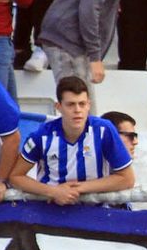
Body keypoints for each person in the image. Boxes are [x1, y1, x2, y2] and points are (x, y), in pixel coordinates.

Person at [10, 75, 130, 204]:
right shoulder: (41, 135)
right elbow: (16, 177)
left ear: (89, 105)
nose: (77, 110)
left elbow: (127, 179)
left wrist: (78, 189)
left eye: (82, 104)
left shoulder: (104, 130)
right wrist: (53, 192)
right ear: (58, 107)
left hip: (95, 209)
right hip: (50, 209)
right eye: (71, 104)